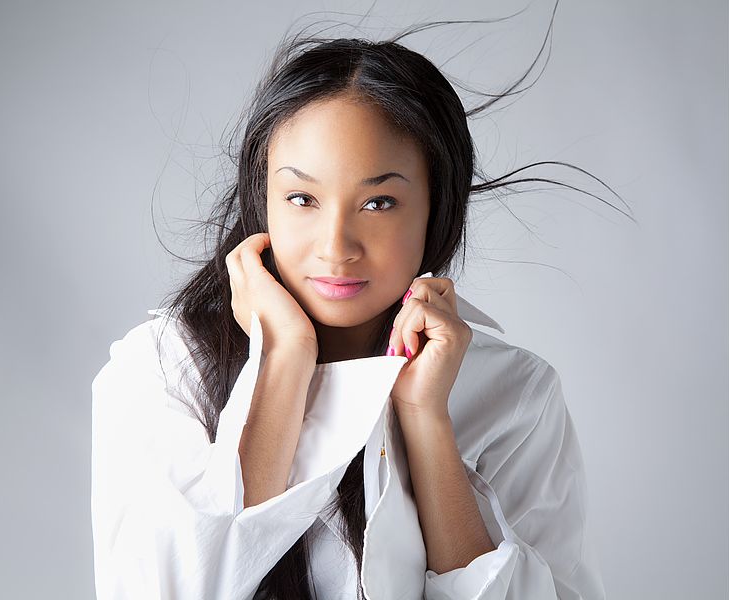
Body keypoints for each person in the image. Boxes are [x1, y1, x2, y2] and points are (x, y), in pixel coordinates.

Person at [92, 14, 617, 600]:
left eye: (380, 202)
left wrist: (426, 422)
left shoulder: (515, 392)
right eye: (302, 198)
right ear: (262, 200)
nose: (336, 246)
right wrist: (283, 359)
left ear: (436, 207)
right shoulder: (161, 368)